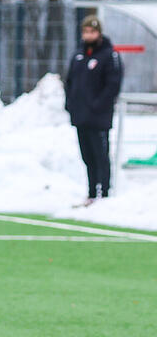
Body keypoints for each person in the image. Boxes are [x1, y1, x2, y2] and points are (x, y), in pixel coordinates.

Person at [64, 15, 123, 206]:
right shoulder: (79, 55)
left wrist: (97, 106)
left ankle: (103, 194)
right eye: (86, 31)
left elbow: (112, 86)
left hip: (98, 117)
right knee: (87, 156)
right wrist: (71, 104)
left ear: (99, 33)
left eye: (92, 31)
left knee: (100, 156)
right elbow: (70, 82)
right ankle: (91, 193)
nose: (88, 35)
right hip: (80, 116)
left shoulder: (109, 56)